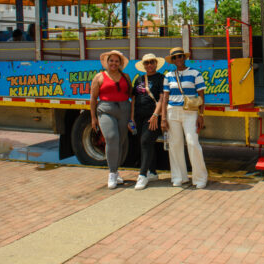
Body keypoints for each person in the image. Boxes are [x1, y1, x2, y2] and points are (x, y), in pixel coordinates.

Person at [161, 47, 208, 189]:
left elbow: (201, 95)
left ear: (185, 57)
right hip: (172, 112)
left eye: (180, 56)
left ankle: (200, 178)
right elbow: (165, 98)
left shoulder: (195, 73)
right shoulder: (168, 75)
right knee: (175, 145)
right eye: (175, 57)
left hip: (190, 112)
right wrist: (163, 117)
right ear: (172, 60)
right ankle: (179, 177)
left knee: (192, 143)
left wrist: (201, 115)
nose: (178, 59)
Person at [89, 50, 132, 189]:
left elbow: (131, 93)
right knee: (112, 138)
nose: (114, 63)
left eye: (116, 61)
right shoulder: (99, 77)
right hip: (106, 110)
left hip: (124, 110)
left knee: (121, 142)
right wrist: (93, 118)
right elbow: (93, 98)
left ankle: (116, 170)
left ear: (120, 63)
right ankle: (112, 174)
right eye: (111, 61)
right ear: (107, 62)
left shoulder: (126, 76)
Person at [131, 53, 166, 190]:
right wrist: (131, 117)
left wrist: (156, 115)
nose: (149, 65)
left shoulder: (161, 78)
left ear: (156, 64)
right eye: (147, 63)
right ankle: (152, 172)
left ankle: (142, 175)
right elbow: (134, 98)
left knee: (145, 141)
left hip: (153, 118)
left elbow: (162, 98)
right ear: (144, 65)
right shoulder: (139, 79)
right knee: (147, 144)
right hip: (139, 117)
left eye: (152, 62)